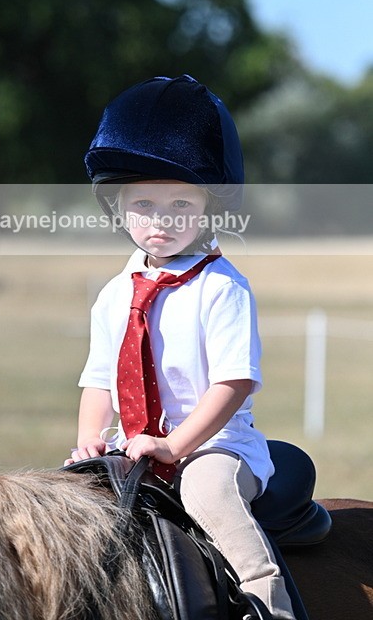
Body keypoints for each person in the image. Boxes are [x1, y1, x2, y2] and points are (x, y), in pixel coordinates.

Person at [65, 75, 296, 620]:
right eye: (142, 202)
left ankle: (270, 603)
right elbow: (99, 379)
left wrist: (176, 447)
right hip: (133, 445)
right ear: (118, 207)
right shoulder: (116, 293)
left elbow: (233, 382)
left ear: (208, 207)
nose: (159, 219)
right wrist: (89, 443)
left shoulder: (221, 286)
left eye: (178, 203)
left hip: (215, 446)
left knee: (208, 495)